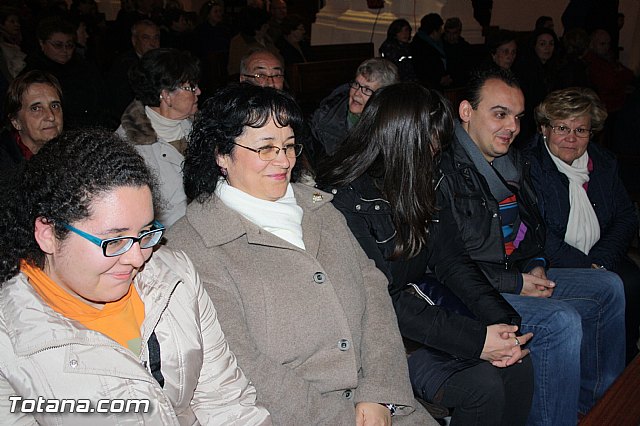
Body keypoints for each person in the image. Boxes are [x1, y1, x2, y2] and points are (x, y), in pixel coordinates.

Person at [166, 83, 437, 425]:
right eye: (266, 149)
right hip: (291, 416)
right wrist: (343, 418)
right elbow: (242, 363)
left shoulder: (318, 208)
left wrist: (380, 392)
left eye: (290, 146)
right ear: (221, 154)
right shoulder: (193, 244)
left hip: (379, 403)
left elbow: (373, 293)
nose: (284, 160)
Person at [0, 129, 271, 425]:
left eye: (144, 234)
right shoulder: (10, 341)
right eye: (114, 241)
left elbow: (227, 402)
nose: (137, 258)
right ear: (49, 234)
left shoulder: (174, 277)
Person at [317, 81, 534, 426]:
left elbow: (452, 260)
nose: (437, 155)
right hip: (371, 335)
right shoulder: (343, 202)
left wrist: (501, 321)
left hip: (416, 313)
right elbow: (380, 300)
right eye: (430, 146)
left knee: (517, 360)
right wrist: (477, 340)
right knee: (482, 385)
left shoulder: (424, 181)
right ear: (398, 141)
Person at [437, 67, 626, 424]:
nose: (511, 126)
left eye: (517, 117)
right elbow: (448, 264)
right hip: (468, 292)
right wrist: (517, 283)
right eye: (500, 114)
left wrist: (534, 263)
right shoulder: (442, 170)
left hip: (514, 276)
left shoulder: (513, 164)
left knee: (608, 287)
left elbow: (533, 231)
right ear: (466, 112)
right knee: (561, 321)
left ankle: (596, 406)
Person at [527, 87, 640, 363]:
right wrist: (585, 268)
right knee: (604, 290)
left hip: (599, 254)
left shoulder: (603, 162)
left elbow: (626, 216)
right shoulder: (528, 165)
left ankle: (621, 364)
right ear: (544, 129)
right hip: (553, 261)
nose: (571, 138)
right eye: (562, 127)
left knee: (633, 281)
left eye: (581, 130)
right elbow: (537, 232)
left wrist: (600, 262)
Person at [116, 48, 200, 228]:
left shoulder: (200, 128)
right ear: (166, 95)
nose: (198, 91)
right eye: (190, 87)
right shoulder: (128, 147)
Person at [23, 16, 110, 130]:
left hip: (95, 129)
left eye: (69, 45)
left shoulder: (85, 67)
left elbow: (103, 100)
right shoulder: (32, 75)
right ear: (42, 43)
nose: (64, 50)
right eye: (57, 45)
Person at [310, 57, 398, 160]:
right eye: (356, 84)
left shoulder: (393, 127)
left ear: (382, 97)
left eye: (367, 89)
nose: (357, 94)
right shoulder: (323, 120)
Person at [0, 70, 63, 173]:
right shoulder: (5, 167)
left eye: (55, 106)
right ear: (15, 121)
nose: (51, 116)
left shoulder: (74, 154)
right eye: (36, 109)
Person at [513, 28, 561, 146]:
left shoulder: (557, 67)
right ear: (534, 46)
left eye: (551, 44)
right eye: (542, 44)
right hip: (528, 122)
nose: (547, 48)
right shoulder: (524, 69)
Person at [106, 20, 161, 122]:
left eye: (156, 38)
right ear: (134, 40)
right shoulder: (124, 65)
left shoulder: (161, 62)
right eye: (146, 38)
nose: (153, 43)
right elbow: (122, 102)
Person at [227, 7, 277, 77]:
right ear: (256, 26)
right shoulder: (239, 42)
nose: (268, 27)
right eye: (265, 25)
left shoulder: (267, 39)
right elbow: (237, 69)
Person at [409, 13, 452, 89]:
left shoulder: (437, 42)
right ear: (434, 31)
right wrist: (439, 79)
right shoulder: (420, 46)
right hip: (429, 87)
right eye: (440, 29)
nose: (442, 31)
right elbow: (422, 69)